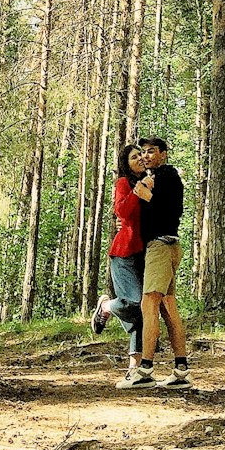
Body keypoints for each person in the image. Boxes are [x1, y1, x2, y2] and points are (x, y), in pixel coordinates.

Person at [117, 135, 191, 389]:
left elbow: (173, 211)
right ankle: (181, 371)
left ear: (163, 154)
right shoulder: (155, 179)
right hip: (161, 246)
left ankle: (145, 370)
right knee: (168, 306)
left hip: (162, 246)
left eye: (151, 152)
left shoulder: (167, 176)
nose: (146, 156)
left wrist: (148, 196)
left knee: (149, 304)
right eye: (143, 152)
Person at [90, 143, 145, 373]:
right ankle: (105, 306)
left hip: (145, 253)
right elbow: (121, 212)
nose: (140, 159)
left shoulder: (150, 182)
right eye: (135, 157)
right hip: (124, 252)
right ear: (126, 163)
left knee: (143, 310)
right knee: (133, 302)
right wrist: (137, 191)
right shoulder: (124, 183)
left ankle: (135, 366)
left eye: (141, 155)